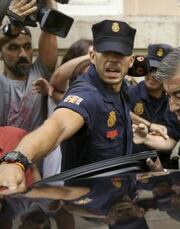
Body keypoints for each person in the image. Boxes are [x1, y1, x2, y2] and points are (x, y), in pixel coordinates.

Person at [0, 19, 138, 194]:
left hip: (120, 201)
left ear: (131, 61)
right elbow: (56, 127)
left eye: (120, 54)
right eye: (106, 53)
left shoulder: (123, 89)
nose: (113, 60)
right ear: (93, 56)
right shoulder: (87, 95)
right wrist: (16, 161)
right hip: (88, 208)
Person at [0, 0, 57, 132]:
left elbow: (51, 27)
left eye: (27, 47)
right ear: (1, 53)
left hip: (35, 151)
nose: (23, 54)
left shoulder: (39, 76)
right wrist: (12, 28)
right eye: (13, 48)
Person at [129, 43, 174, 167]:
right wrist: (151, 127)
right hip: (130, 167)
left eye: (159, 71)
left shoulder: (173, 100)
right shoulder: (130, 93)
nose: (153, 75)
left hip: (162, 169)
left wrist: (140, 130)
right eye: (151, 69)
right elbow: (119, 112)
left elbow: (169, 141)